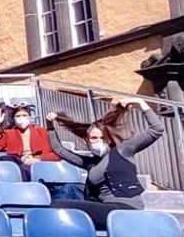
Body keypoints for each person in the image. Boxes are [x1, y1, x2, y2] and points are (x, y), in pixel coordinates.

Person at [47, 98, 165, 230]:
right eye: (94, 138)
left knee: (59, 205)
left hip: (126, 209)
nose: (99, 141)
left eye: (102, 137)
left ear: (108, 139)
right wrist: (50, 126)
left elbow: (157, 129)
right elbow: (59, 150)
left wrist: (141, 103)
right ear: (87, 140)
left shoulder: (123, 150)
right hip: (106, 208)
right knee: (66, 195)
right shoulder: (90, 163)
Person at [0, 104, 59, 179]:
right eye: (18, 116)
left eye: (24, 115)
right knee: (6, 159)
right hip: (18, 165)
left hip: (39, 166)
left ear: (29, 117)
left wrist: (38, 158)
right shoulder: (9, 133)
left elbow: (57, 153)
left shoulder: (43, 132)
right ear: (14, 119)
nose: (22, 118)